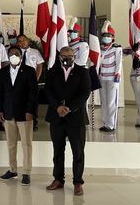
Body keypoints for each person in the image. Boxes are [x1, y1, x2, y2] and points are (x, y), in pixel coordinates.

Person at [44, 47, 91, 196]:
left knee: (78, 152)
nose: (67, 58)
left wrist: (69, 108)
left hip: (76, 118)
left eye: (70, 55)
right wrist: (57, 107)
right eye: (64, 55)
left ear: (74, 56)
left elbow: (85, 92)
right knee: (58, 151)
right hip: (56, 117)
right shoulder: (52, 71)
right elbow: (48, 91)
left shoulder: (83, 72)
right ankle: (58, 179)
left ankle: (78, 182)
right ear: (59, 56)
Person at [0, 46, 38, 185]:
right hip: (8, 113)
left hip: (24, 114)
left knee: (26, 144)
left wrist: (30, 111)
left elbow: (33, 93)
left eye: (17, 54)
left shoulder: (29, 71)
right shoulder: (2, 72)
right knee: (11, 144)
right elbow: (0, 94)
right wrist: (0, 110)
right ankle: (13, 170)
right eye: (11, 54)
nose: (14, 56)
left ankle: (26, 172)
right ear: (8, 56)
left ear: (21, 56)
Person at [98, 21, 122, 132]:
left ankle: (111, 125)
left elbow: (118, 63)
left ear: (113, 37)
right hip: (102, 78)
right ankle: (105, 123)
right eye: (104, 36)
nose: (106, 38)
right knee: (104, 101)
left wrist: (117, 76)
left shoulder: (116, 48)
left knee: (112, 102)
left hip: (112, 78)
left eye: (108, 36)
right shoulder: (99, 48)